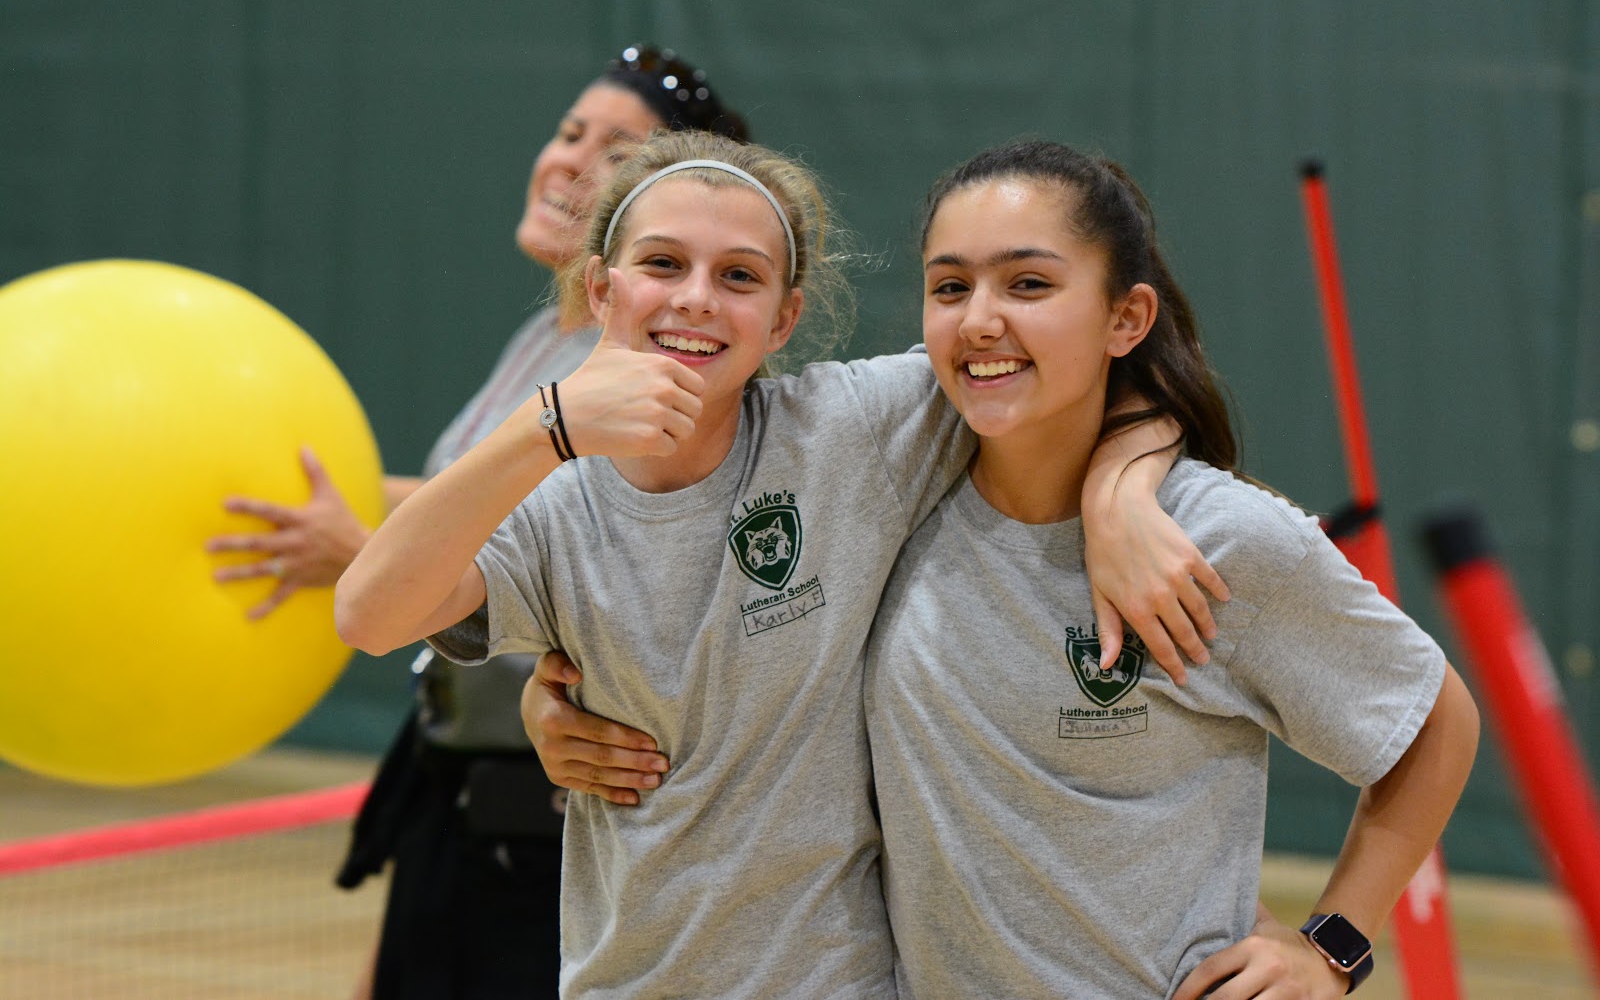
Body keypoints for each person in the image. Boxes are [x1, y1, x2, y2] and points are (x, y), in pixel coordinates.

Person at [526, 140, 1480, 998]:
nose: (980, 320)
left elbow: (1434, 720)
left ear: (1125, 315)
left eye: (1028, 284)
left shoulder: (1213, 539)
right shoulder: (896, 502)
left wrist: (1331, 948)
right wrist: (560, 693)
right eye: (950, 288)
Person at [335, 129, 1222, 998]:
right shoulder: (554, 502)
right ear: (602, 293)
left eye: (739, 277)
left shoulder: (852, 430)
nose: (696, 300)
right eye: (661, 264)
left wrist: (1122, 491)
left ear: (784, 317)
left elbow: (1085, 363)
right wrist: (543, 427)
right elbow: (368, 616)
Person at [205, 47, 748, 999]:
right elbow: (472, 492)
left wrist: (365, 553)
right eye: (569, 132)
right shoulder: (549, 336)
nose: (569, 160)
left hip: (548, 823)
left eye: (614, 147)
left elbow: (556, 540)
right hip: (456, 788)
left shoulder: (647, 375)